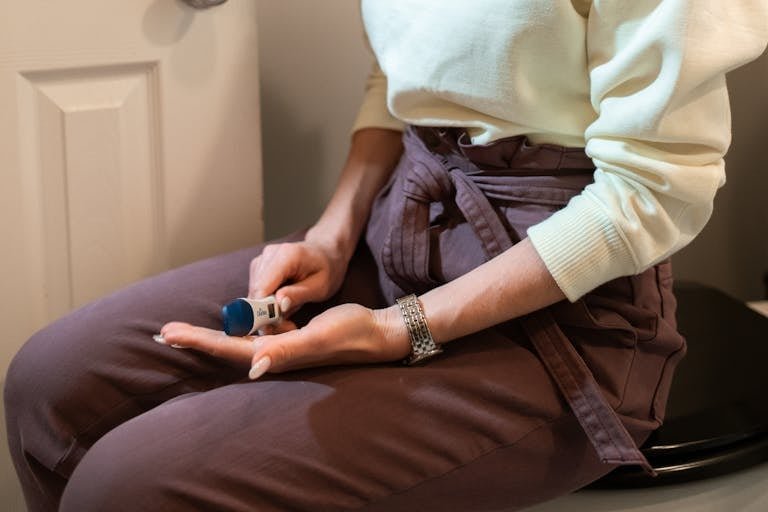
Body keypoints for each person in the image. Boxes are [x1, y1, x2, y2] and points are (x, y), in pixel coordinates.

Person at [5, 2, 767, 511]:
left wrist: (401, 329)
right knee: (47, 381)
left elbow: (654, 190)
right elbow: (396, 84)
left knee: (128, 485)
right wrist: (332, 237)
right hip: (398, 237)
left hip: (566, 312)